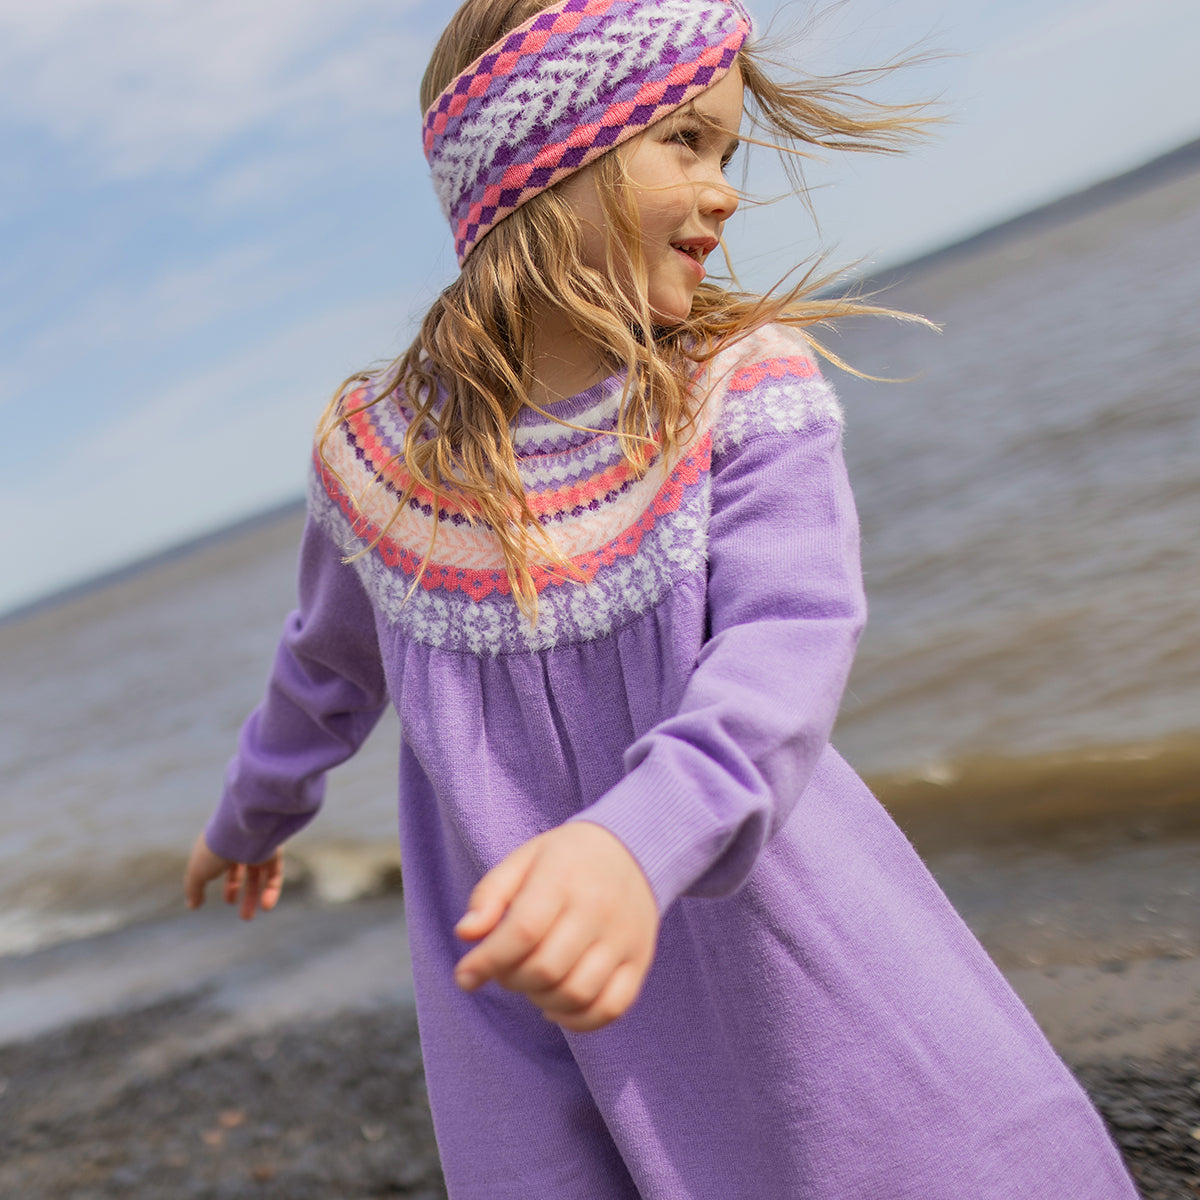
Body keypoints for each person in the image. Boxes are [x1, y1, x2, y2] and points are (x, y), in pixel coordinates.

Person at [184, 2, 1141, 1197]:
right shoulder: (383, 465)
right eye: (685, 142)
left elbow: (784, 653)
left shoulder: (737, 391)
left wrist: (635, 847)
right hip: (531, 977)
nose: (725, 190)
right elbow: (324, 668)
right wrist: (255, 808)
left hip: (769, 939)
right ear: (547, 166)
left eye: (727, 152)